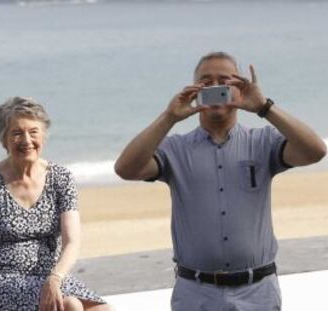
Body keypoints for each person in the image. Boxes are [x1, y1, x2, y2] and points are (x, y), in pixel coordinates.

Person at [114, 51, 326, 310]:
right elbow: (125, 169)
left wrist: (264, 107)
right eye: (206, 81)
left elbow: (315, 151)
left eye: (225, 80)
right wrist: (169, 117)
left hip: (257, 292)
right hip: (196, 293)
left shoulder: (263, 143)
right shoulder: (174, 149)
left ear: (239, 89)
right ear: (194, 90)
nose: (215, 87)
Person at [0, 97, 112, 311]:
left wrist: (55, 278)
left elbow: (72, 242)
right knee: (71, 306)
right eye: (17, 133)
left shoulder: (61, 178)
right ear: (4, 140)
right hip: (1, 280)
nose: (26, 140)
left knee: (102, 310)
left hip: (52, 277)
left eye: (33, 131)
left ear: (44, 136)